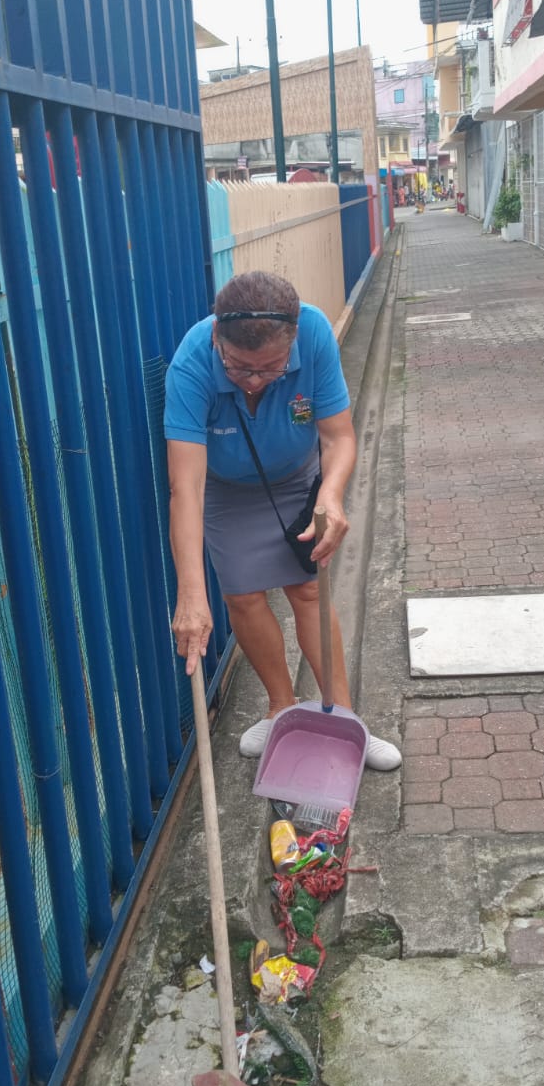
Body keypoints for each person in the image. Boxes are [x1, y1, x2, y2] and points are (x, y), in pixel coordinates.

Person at [164, 270, 401, 770]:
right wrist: (190, 594)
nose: (254, 381)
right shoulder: (191, 363)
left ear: (292, 340)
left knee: (307, 590)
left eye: (270, 368)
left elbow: (338, 437)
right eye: (238, 367)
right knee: (242, 596)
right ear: (217, 337)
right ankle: (280, 708)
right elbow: (186, 487)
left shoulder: (312, 333)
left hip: (297, 477)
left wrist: (331, 494)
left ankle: (345, 721)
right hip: (227, 488)